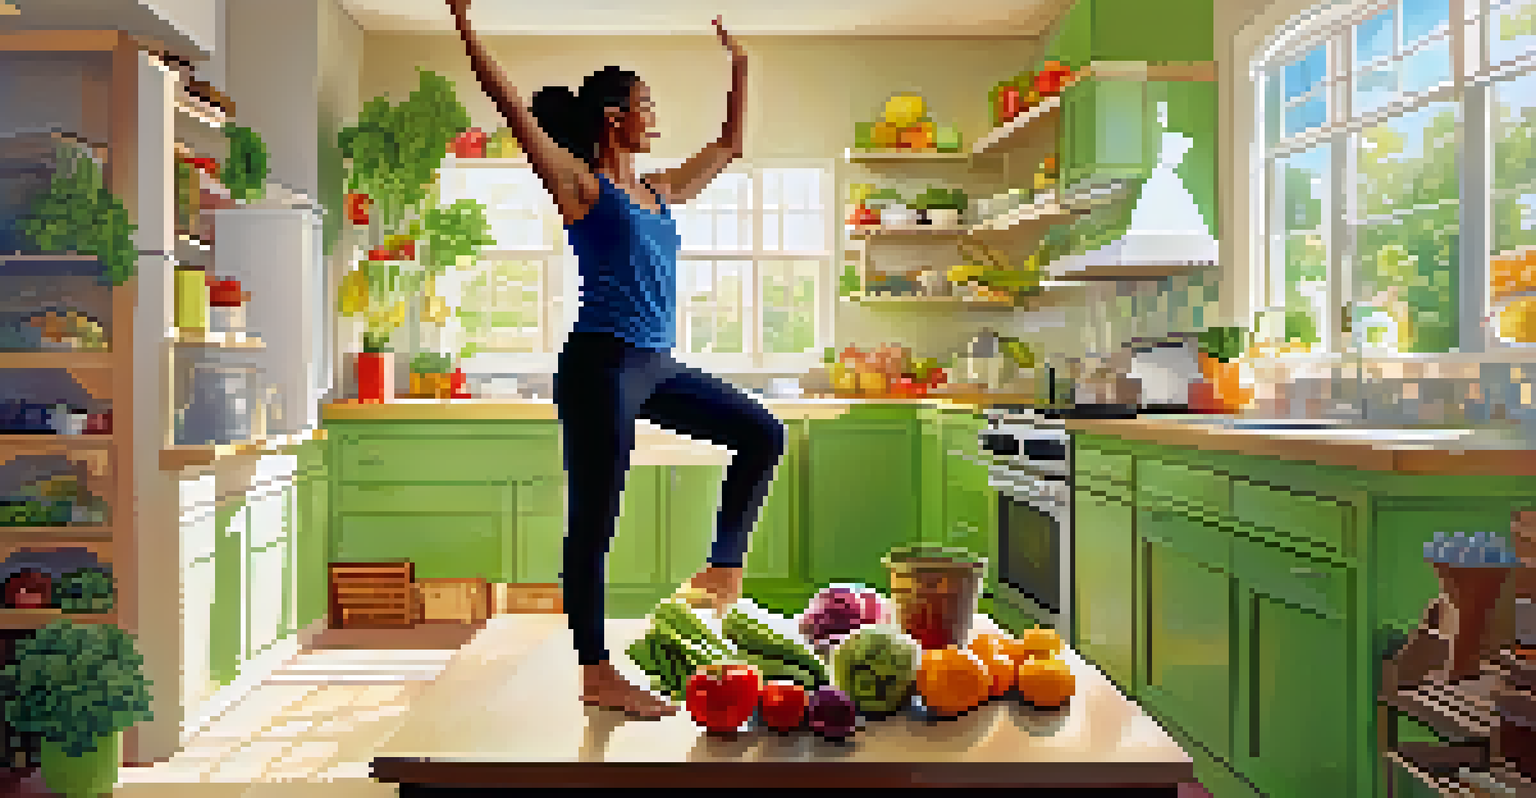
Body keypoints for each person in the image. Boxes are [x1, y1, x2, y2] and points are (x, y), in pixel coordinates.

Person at [447, 0, 785, 719]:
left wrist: (742, 63)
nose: (652, 115)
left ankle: (725, 568)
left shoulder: (660, 191)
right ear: (611, 116)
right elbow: (511, 107)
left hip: (655, 364)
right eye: (643, 104)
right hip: (599, 366)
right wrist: (466, 27)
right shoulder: (580, 184)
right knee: (595, 522)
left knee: (763, 433)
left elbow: (728, 146)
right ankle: (595, 671)